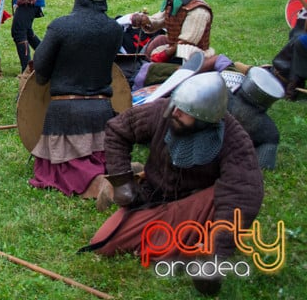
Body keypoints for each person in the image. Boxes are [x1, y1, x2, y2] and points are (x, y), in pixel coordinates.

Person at [85, 73, 263, 297]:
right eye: (176, 105)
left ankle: (204, 250)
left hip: (196, 207)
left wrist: (219, 254)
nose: (175, 112)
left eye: (184, 110)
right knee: (103, 243)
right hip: (154, 199)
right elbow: (118, 130)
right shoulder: (164, 111)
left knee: (229, 195)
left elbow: (245, 195)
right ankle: (179, 243)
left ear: (203, 119)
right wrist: (122, 182)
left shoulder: (234, 140)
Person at [28, 0, 123, 198]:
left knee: (59, 167)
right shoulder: (115, 29)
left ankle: (98, 184)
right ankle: (116, 175)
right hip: (103, 113)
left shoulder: (61, 27)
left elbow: (40, 65)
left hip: (66, 114)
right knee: (102, 156)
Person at [130, 0, 215, 81]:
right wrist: (146, 20)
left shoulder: (198, 11)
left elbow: (187, 41)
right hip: (174, 52)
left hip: (193, 56)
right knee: (148, 63)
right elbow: (158, 20)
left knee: (154, 70)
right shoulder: (173, 5)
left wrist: (165, 54)